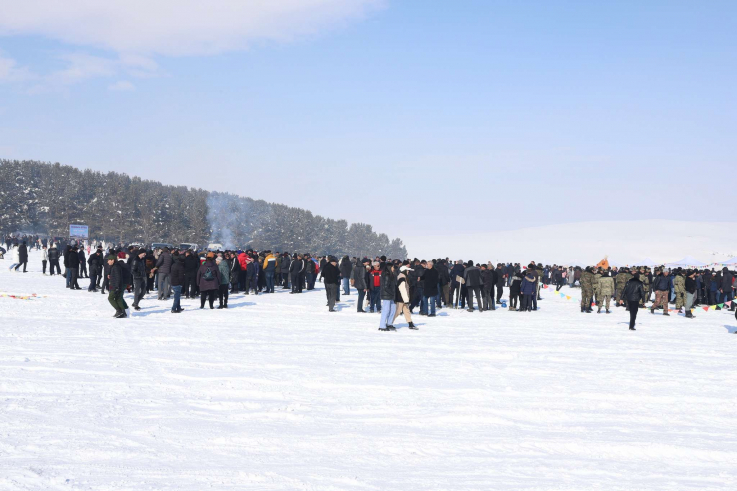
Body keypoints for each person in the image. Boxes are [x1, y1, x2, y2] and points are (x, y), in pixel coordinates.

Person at [393, 262, 417, 329]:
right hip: (401, 298)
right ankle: (389, 322)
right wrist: (406, 300)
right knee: (397, 312)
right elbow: (403, 290)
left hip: (403, 298)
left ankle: (410, 323)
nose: (408, 272)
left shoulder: (402, 277)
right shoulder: (402, 278)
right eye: (407, 271)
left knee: (406, 311)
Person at [378, 262, 397, 331]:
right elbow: (385, 287)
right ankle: (382, 325)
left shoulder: (392, 275)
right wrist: (392, 293)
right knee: (386, 310)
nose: (393, 268)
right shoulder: (386, 275)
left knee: (393, 309)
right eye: (392, 267)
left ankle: (389, 323)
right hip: (386, 295)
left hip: (391, 295)